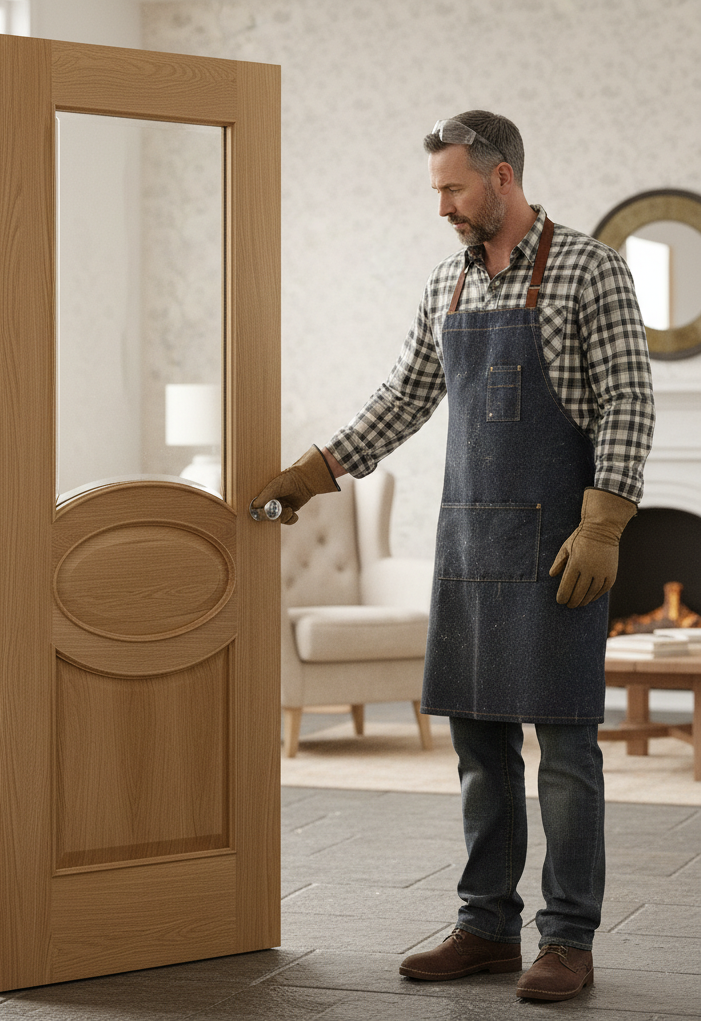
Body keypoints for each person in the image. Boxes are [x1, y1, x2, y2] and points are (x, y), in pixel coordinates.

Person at [255, 110, 655, 1003]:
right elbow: (404, 395)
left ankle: (569, 939)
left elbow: (629, 400)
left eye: (453, 187)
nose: (441, 205)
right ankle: (485, 926)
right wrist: (315, 471)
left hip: (560, 550)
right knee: (478, 747)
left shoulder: (589, 268)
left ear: (502, 177)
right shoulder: (448, 284)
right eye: (437, 188)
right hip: (470, 543)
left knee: (565, 747)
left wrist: (604, 523)